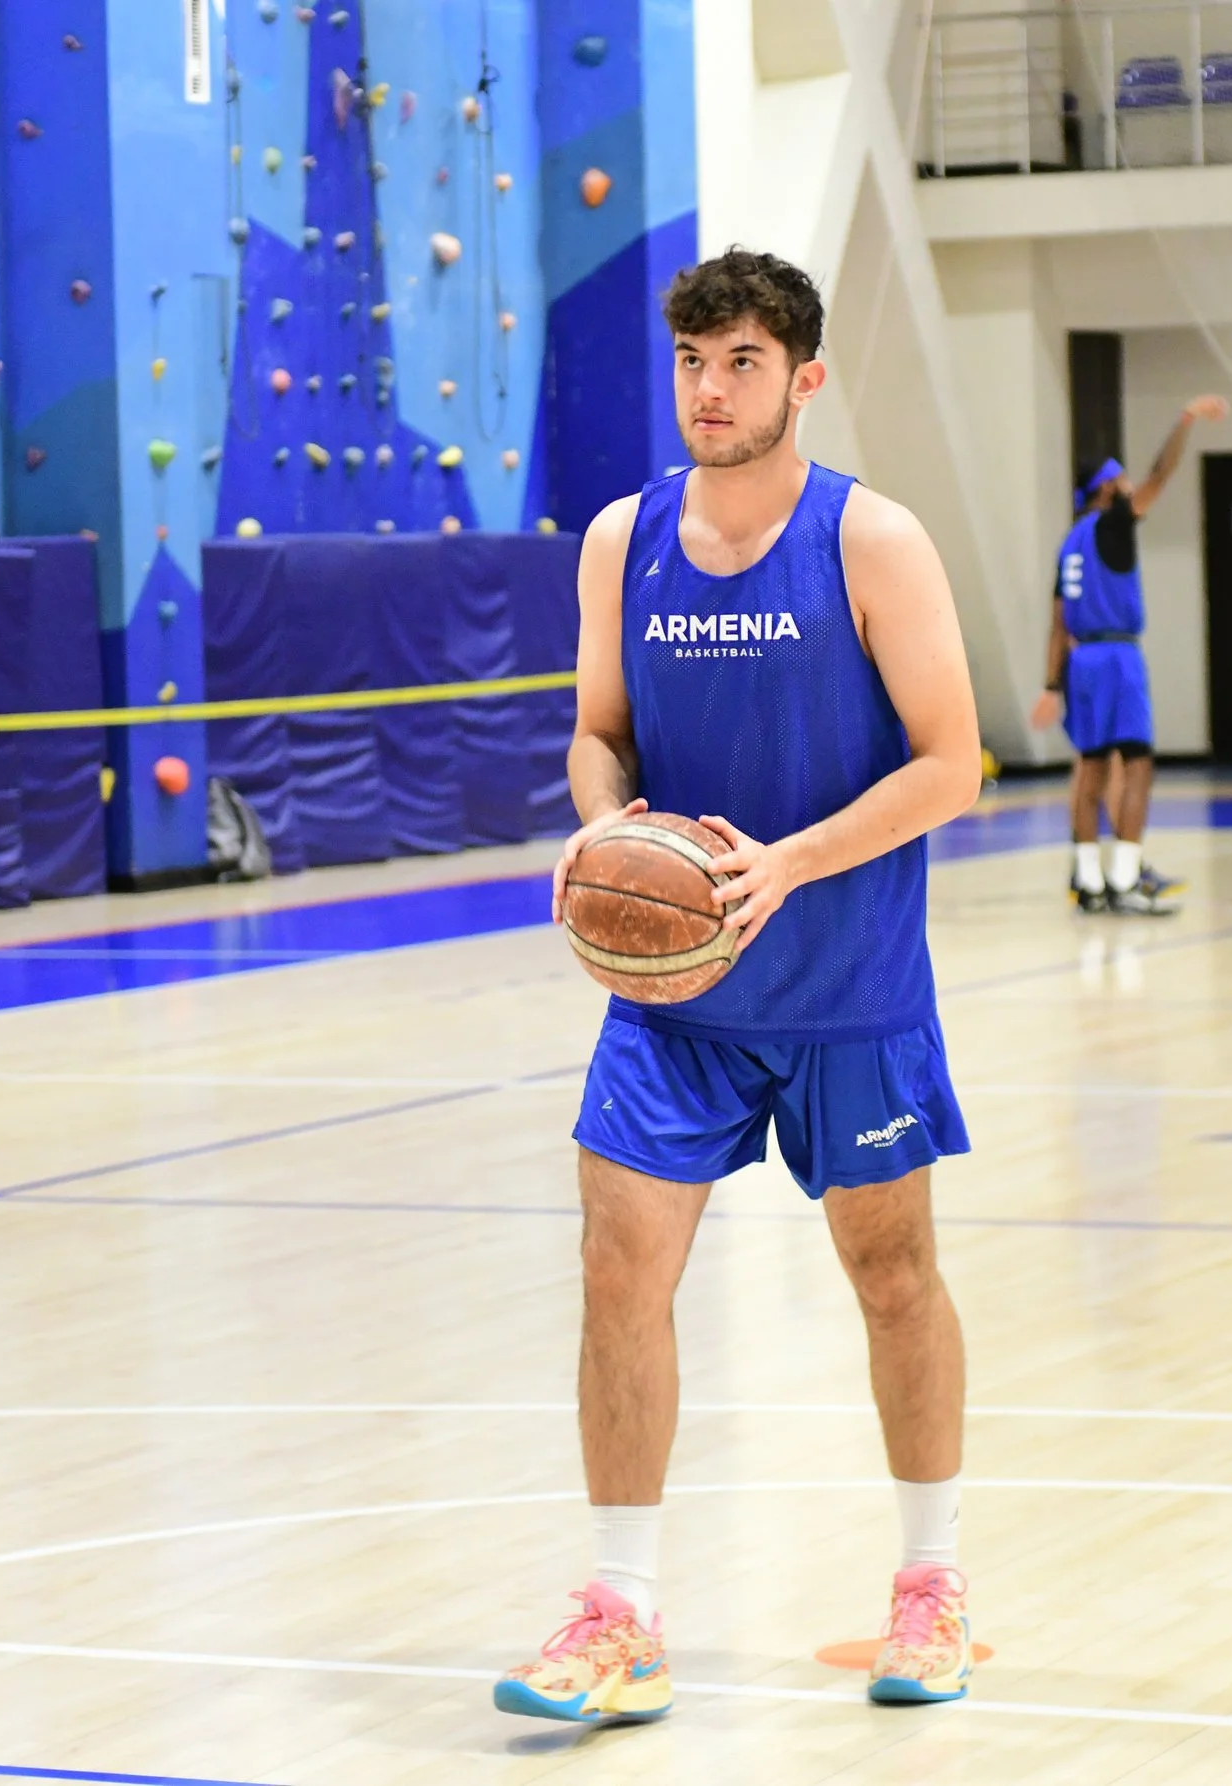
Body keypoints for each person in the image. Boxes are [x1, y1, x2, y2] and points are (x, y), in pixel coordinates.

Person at [501, 249, 985, 1726]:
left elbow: (952, 764)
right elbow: (599, 733)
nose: (712, 391)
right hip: (677, 997)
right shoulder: (619, 539)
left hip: (847, 982)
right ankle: (621, 1614)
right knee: (614, 1271)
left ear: (804, 378)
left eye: (744, 364)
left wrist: (790, 863)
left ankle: (932, 1584)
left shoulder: (872, 541)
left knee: (891, 1280)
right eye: (694, 363)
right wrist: (600, 825)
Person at [1030, 394, 1228, 914]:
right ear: (1106, 489)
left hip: (1081, 664)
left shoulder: (1069, 543)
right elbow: (1160, 476)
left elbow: (1057, 622)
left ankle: (1089, 879)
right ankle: (1125, 878)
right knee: (1138, 767)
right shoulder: (1112, 523)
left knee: (1090, 770)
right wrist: (1183, 420)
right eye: (1119, 481)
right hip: (1117, 658)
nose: (1128, 487)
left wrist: (1052, 685)